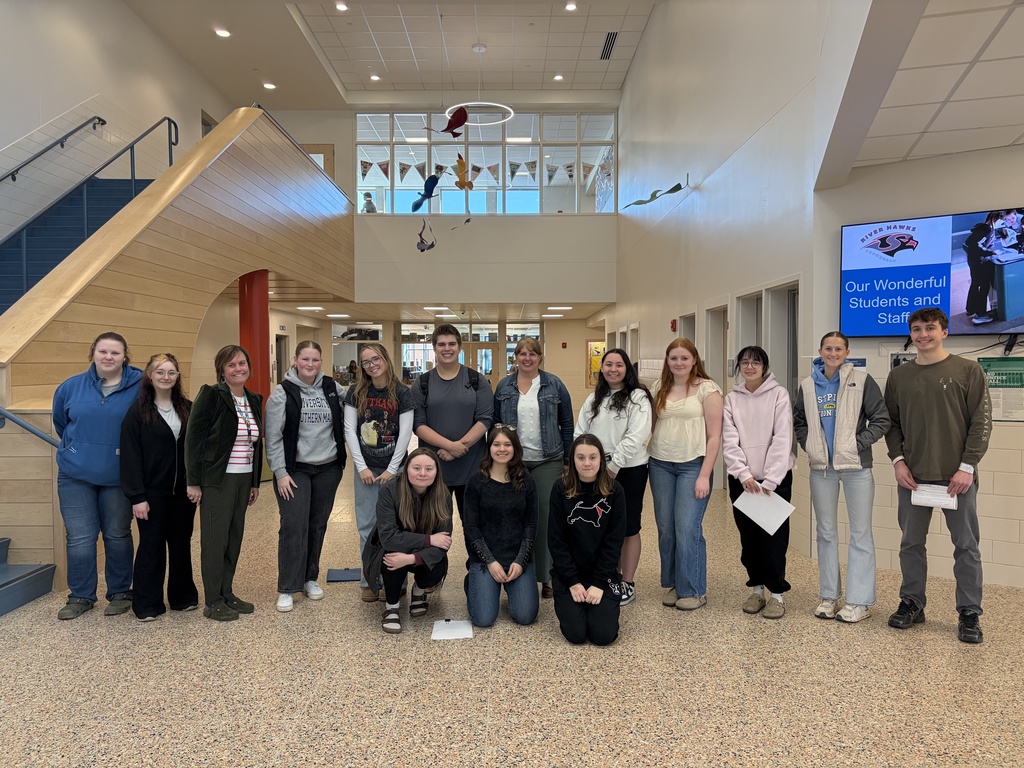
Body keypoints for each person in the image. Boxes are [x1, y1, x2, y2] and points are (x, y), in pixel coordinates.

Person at [884, 308, 991, 644]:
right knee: (911, 544)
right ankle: (913, 603)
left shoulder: (968, 370)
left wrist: (967, 466)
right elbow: (892, 425)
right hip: (913, 477)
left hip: (956, 478)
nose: (923, 334)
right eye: (916, 329)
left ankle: (969, 613)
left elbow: (981, 423)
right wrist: (898, 461)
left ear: (945, 331)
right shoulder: (899, 377)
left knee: (966, 547)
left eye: (930, 328)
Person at [793, 331, 890, 624]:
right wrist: (809, 444)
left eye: (838, 349)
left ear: (847, 352)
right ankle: (828, 596)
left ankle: (859, 602)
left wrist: (855, 444)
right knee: (825, 533)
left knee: (860, 533)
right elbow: (799, 421)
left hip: (857, 468)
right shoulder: (808, 385)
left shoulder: (862, 381)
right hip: (821, 469)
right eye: (828, 348)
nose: (833, 353)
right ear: (820, 351)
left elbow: (882, 419)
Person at [52, 332, 143, 620]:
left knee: (117, 535)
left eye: (115, 353)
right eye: (103, 351)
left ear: (125, 356)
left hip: (119, 476)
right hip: (75, 475)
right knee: (80, 537)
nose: (108, 357)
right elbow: (61, 422)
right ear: (93, 353)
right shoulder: (71, 387)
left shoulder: (141, 385)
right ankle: (80, 596)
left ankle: (120, 592)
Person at [265, 341, 346, 613]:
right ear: (295, 360)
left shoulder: (333, 389)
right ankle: (288, 587)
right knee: (293, 527)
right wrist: (280, 473)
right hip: (295, 471)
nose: (310, 364)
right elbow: (273, 438)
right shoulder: (281, 394)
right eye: (305, 359)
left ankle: (310, 578)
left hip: (328, 469)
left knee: (317, 525)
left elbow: (358, 405)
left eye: (315, 360)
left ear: (320, 361)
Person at [185, 345, 263, 622]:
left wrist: (255, 482)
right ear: (222, 370)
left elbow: (257, 443)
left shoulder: (253, 398)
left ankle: (227, 592)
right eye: (231, 365)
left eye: (242, 363)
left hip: (243, 479)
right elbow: (193, 439)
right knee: (214, 540)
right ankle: (213, 600)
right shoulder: (212, 395)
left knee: (233, 539)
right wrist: (194, 482)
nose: (238, 368)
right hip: (216, 480)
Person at [119, 353, 198, 621]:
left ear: (177, 377)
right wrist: (137, 497)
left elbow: (196, 449)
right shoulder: (137, 412)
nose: (166, 377)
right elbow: (130, 456)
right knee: (151, 546)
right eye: (160, 372)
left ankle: (183, 597)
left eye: (171, 372)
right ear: (150, 376)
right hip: (151, 494)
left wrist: (196, 483)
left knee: (180, 544)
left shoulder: (188, 408)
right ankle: (147, 604)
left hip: (183, 493)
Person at [493, 337, 573, 600]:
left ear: (540, 357)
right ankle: (517, 572)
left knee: (545, 515)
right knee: (513, 516)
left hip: (548, 459)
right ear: (515, 357)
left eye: (532, 354)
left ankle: (548, 576)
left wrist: (568, 461)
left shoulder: (554, 385)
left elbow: (567, 425)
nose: (527, 358)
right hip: (512, 460)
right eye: (522, 353)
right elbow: (495, 425)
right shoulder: (504, 385)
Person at [648, 338, 723, 611]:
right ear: (667, 361)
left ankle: (693, 588)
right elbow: (652, 428)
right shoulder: (659, 388)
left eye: (684, 358)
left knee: (687, 527)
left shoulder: (708, 389)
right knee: (666, 528)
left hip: (694, 465)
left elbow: (715, 437)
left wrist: (705, 474)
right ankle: (674, 583)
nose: (678, 363)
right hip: (660, 464)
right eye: (673, 358)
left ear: (694, 360)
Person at [574, 348, 652, 606]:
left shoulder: (638, 398)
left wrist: (613, 467)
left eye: (619, 365)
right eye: (608, 364)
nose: (613, 369)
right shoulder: (594, 398)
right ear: (602, 368)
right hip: (595, 470)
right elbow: (580, 432)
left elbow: (635, 437)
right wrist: (581, 462)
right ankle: (609, 576)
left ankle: (627, 582)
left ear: (627, 369)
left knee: (628, 526)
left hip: (628, 470)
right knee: (604, 526)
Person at [723, 346, 795, 620]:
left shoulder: (779, 394)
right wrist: (744, 475)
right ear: (739, 366)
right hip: (743, 482)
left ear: (765, 366)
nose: (750, 366)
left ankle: (776, 594)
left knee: (774, 540)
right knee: (749, 539)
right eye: (745, 362)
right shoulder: (732, 398)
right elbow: (730, 440)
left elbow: (783, 436)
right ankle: (757, 590)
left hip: (774, 481)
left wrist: (772, 480)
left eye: (756, 362)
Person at [344, 342, 415, 602]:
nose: (372, 364)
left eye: (376, 359)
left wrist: (393, 469)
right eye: (366, 361)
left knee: (396, 525)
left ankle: (396, 580)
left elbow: (405, 433)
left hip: (395, 470)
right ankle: (369, 580)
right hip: (366, 470)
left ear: (385, 359)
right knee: (366, 526)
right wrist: (361, 467)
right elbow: (349, 430)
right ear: (361, 366)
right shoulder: (355, 392)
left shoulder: (402, 393)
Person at [361, 448, 453, 634]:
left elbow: (443, 541)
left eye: (429, 469)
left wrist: (412, 559)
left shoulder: (443, 495)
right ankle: (392, 606)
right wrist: (428, 539)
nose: (422, 473)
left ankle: (418, 591)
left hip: (418, 553)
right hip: (394, 549)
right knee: (391, 557)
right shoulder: (389, 490)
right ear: (406, 469)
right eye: (416, 468)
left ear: (436, 472)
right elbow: (388, 538)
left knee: (436, 566)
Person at [548, 434, 626, 646]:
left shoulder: (614, 492)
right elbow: (556, 540)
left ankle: (601, 605)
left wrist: (599, 583)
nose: (587, 463)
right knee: (576, 635)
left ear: (601, 459)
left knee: (603, 636)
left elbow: (614, 542)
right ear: (573, 460)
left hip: (603, 574)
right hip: (569, 574)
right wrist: (572, 582)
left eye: (592, 457)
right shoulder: (560, 489)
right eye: (581, 457)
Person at [412, 323, 493, 518]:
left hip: (472, 467)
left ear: (459, 347)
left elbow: (485, 419)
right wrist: (450, 446)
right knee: (436, 528)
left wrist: (457, 449)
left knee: (475, 529)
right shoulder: (422, 383)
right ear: (434, 348)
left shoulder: (476, 380)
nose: (447, 349)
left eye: (451, 344)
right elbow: (419, 425)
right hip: (434, 469)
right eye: (441, 344)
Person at [464, 425, 539, 627]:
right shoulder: (476, 481)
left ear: (515, 448)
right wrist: (490, 561)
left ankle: (505, 584)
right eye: (496, 444)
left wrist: (521, 560)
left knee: (525, 617)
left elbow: (531, 525)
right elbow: (471, 526)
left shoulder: (527, 481)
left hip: (517, 557)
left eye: (507, 444)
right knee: (483, 620)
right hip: (485, 559)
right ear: (489, 448)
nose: (502, 449)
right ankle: (472, 581)